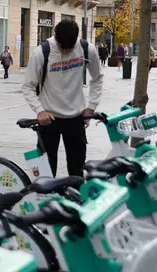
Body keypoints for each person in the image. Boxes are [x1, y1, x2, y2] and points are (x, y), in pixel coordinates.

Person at [21, 19, 103, 178]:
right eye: (62, 47)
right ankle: (46, 202)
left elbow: (97, 78)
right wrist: (39, 111)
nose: (65, 52)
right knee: (46, 172)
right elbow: (28, 86)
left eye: (69, 48)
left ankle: (75, 200)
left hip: (76, 118)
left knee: (77, 169)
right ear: (55, 38)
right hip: (49, 119)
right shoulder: (42, 52)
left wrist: (91, 107)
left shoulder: (87, 49)